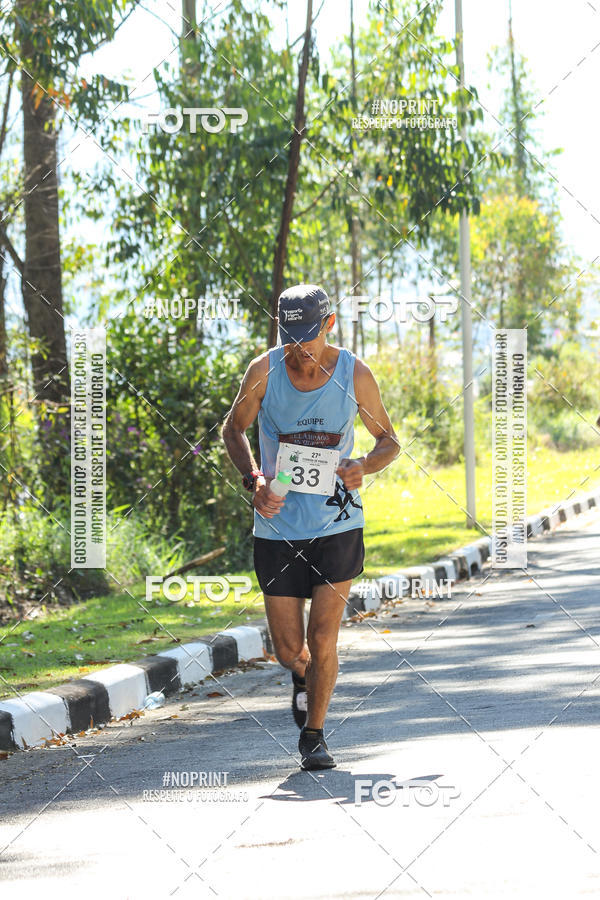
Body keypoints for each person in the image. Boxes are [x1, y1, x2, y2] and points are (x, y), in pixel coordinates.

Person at [222, 284, 399, 770]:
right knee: (287, 650)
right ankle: (303, 676)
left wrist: (367, 464)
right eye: (289, 335)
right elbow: (233, 428)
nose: (299, 347)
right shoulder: (264, 370)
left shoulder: (354, 373)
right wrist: (253, 477)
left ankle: (315, 738)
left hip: (337, 523)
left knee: (323, 637)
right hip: (277, 526)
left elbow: (389, 440)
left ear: (329, 324)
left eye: (308, 335)